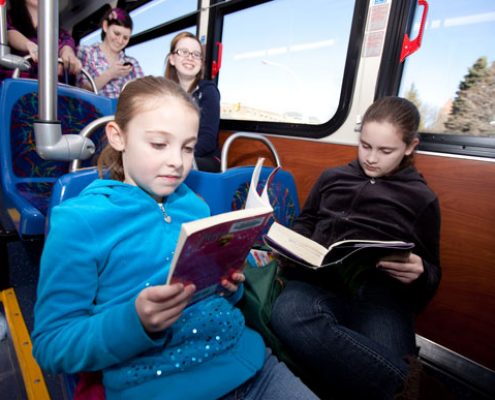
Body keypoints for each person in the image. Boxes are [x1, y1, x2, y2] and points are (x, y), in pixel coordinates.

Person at [32, 76, 317, 400]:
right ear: (118, 136)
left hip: (248, 366)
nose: (177, 161)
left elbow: (216, 298)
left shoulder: (195, 206)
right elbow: (52, 344)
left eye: (187, 148)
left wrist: (229, 288)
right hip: (157, 386)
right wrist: (134, 321)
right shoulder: (80, 221)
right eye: (158, 144)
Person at [270, 96, 442, 399]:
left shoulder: (421, 198)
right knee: (288, 314)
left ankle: (396, 384)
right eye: (365, 145)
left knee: (382, 356)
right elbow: (307, 220)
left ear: (410, 147)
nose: (371, 158)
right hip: (318, 280)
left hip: (380, 295)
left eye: (385, 150)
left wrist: (421, 272)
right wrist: (294, 243)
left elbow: (431, 271)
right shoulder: (332, 177)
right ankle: (407, 388)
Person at [165, 32, 221, 172]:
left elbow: (207, 139)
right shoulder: (163, 94)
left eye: (196, 54)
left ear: (201, 62)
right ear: (172, 59)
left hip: (204, 157)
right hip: (171, 153)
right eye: (184, 52)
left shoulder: (208, 91)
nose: (190, 57)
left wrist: (178, 155)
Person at [0, 0, 81, 80]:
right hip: (15, 87)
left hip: (49, 90)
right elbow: (9, 33)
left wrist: (68, 57)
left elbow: (67, 47)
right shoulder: (5, 18)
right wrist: (29, 45)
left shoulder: (61, 34)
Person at [77, 7, 143, 98]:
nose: (120, 41)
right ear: (105, 26)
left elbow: (143, 93)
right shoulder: (85, 52)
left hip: (125, 110)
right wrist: (110, 74)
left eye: (125, 38)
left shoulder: (132, 63)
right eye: (116, 33)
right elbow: (80, 92)